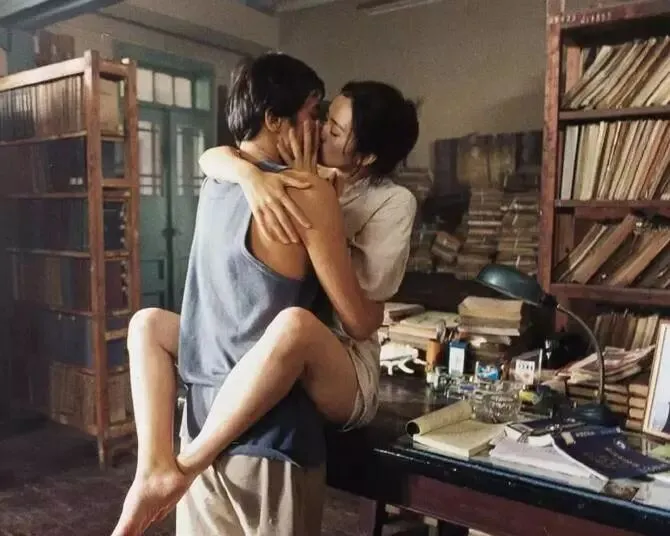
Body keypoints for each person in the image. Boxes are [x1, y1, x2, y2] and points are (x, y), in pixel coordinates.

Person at [112, 53, 419, 536]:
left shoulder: (385, 200)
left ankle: (185, 463)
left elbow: (361, 322)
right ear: (276, 121)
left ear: (363, 157)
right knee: (147, 322)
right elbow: (216, 155)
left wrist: (310, 198)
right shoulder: (275, 178)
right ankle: (153, 466)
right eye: (319, 116)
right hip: (280, 357)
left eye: (333, 129)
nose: (319, 130)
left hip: (341, 357)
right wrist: (253, 176)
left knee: (294, 328)